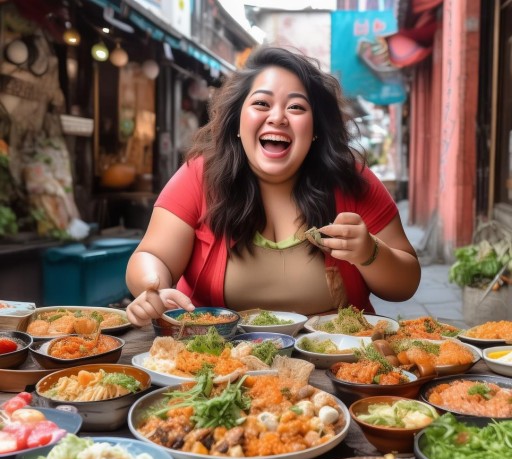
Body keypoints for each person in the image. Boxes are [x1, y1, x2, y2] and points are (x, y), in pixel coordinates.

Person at [125, 46, 421, 327]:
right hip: (218, 362)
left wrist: (370, 252)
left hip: (338, 364)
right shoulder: (199, 176)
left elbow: (405, 284)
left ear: (316, 128)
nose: (278, 117)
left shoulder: (353, 179)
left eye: (296, 107)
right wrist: (153, 287)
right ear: (238, 121)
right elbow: (153, 256)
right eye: (261, 104)